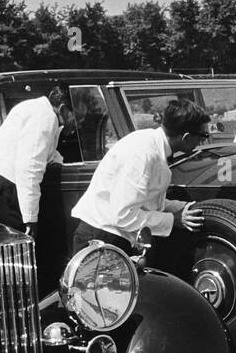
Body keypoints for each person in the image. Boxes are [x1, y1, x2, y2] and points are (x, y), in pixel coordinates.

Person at [70, 99, 207, 254]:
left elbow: (144, 200)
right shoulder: (143, 154)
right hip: (103, 239)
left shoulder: (152, 145)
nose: (203, 140)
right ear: (186, 137)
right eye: (203, 135)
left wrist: (180, 207)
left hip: (117, 236)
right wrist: (173, 219)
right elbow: (123, 215)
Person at [0, 85, 74, 238]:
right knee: (16, 257)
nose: (76, 123)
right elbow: (30, 167)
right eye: (76, 116)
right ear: (63, 109)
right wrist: (30, 218)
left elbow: (47, 154)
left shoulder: (33, 108)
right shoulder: (45, 116)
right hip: (1, 193)